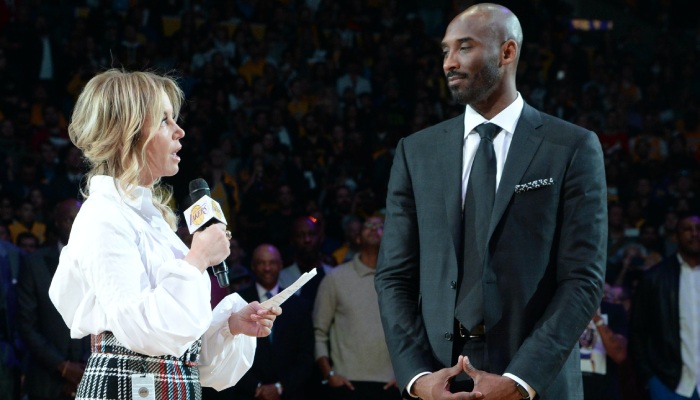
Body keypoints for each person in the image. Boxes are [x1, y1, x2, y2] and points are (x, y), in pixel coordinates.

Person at [374, 4, 607, 400]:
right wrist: (418, 376)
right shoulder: (416, 152)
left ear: (507, 52)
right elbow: (393, 276)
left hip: (536, 383)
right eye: (445, 51)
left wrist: (521, 379)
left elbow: (582, 279)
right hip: (442, 380)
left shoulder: (571, 147)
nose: (450, 63)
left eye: (464, 48)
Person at [48, 69, 281, 400]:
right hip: (127, 388)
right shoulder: (103, 216)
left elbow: (178, 348)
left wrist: (228, 327)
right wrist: (198, 257)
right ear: (128, 133)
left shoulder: (151, 220)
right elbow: (143, 332)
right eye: (164, 120)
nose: (179, 131)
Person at [209, 244, 315, 400]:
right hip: (247, 394)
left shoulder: (299, 305)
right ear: (253, 266)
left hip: (290, 393)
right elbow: (228, 350)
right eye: (261, 263)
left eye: (272, 263)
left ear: (280, 265)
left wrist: (280, 387)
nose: (267, 268)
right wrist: (256, 387)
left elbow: (306, 356)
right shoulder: (238, 301)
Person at [314, 215, 400, 400]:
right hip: (348, 384)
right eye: (368, 224)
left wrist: (407, 375)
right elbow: (319, 332)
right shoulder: (335, 278)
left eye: (379, 226)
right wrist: (328, 374)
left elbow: (413, 331)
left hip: (391, 384)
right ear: (358, 237)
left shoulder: (400, 280)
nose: (373, 228)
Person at [17, 199, 91, 400]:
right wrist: (63, 366)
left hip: (89, 375)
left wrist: (84, 367)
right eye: (69, 220)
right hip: (46, 377)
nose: (76, 226)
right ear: (57, 222)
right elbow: (26, 325)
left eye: (80, 220)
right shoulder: (34, 264)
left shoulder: (99, 263)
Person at [629, 213, 700, 400]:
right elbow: (637, 331)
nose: (694, 234)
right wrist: (649, 378)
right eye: (687, 229)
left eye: (698, 229)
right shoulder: (655, 278)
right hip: (669, 383)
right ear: (675, 236)